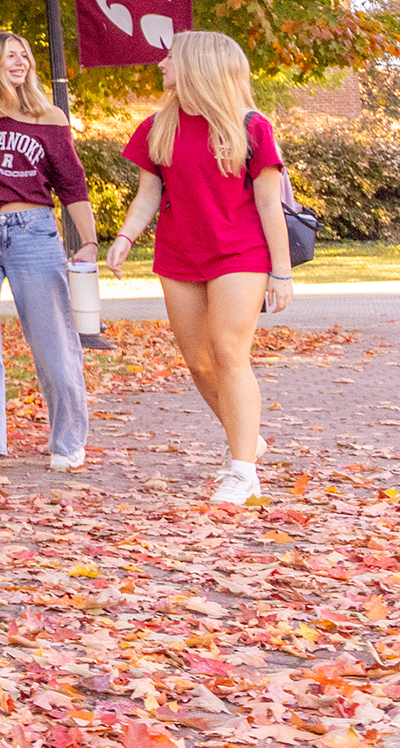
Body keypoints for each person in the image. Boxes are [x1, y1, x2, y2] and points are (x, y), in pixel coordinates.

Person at [105, 30, 292, 504]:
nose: (162, 63)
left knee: (228, 350)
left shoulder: (251, 127)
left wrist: (282, 271)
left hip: (241, 253)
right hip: (178, 253)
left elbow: (271, 206)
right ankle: (245, 434)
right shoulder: (157, 127)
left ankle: (243, 470)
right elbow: (150, 192)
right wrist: (126, 236)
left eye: (171, 57)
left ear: (199, 65)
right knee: (198, 361)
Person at [0, 31, 100, 481]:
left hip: (34, 233)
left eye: (24, 54)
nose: (21, 61)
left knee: (54, 342)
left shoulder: (48, 117)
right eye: (11, 55)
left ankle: (68, 441)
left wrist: (89, 240)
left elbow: (72, 185)